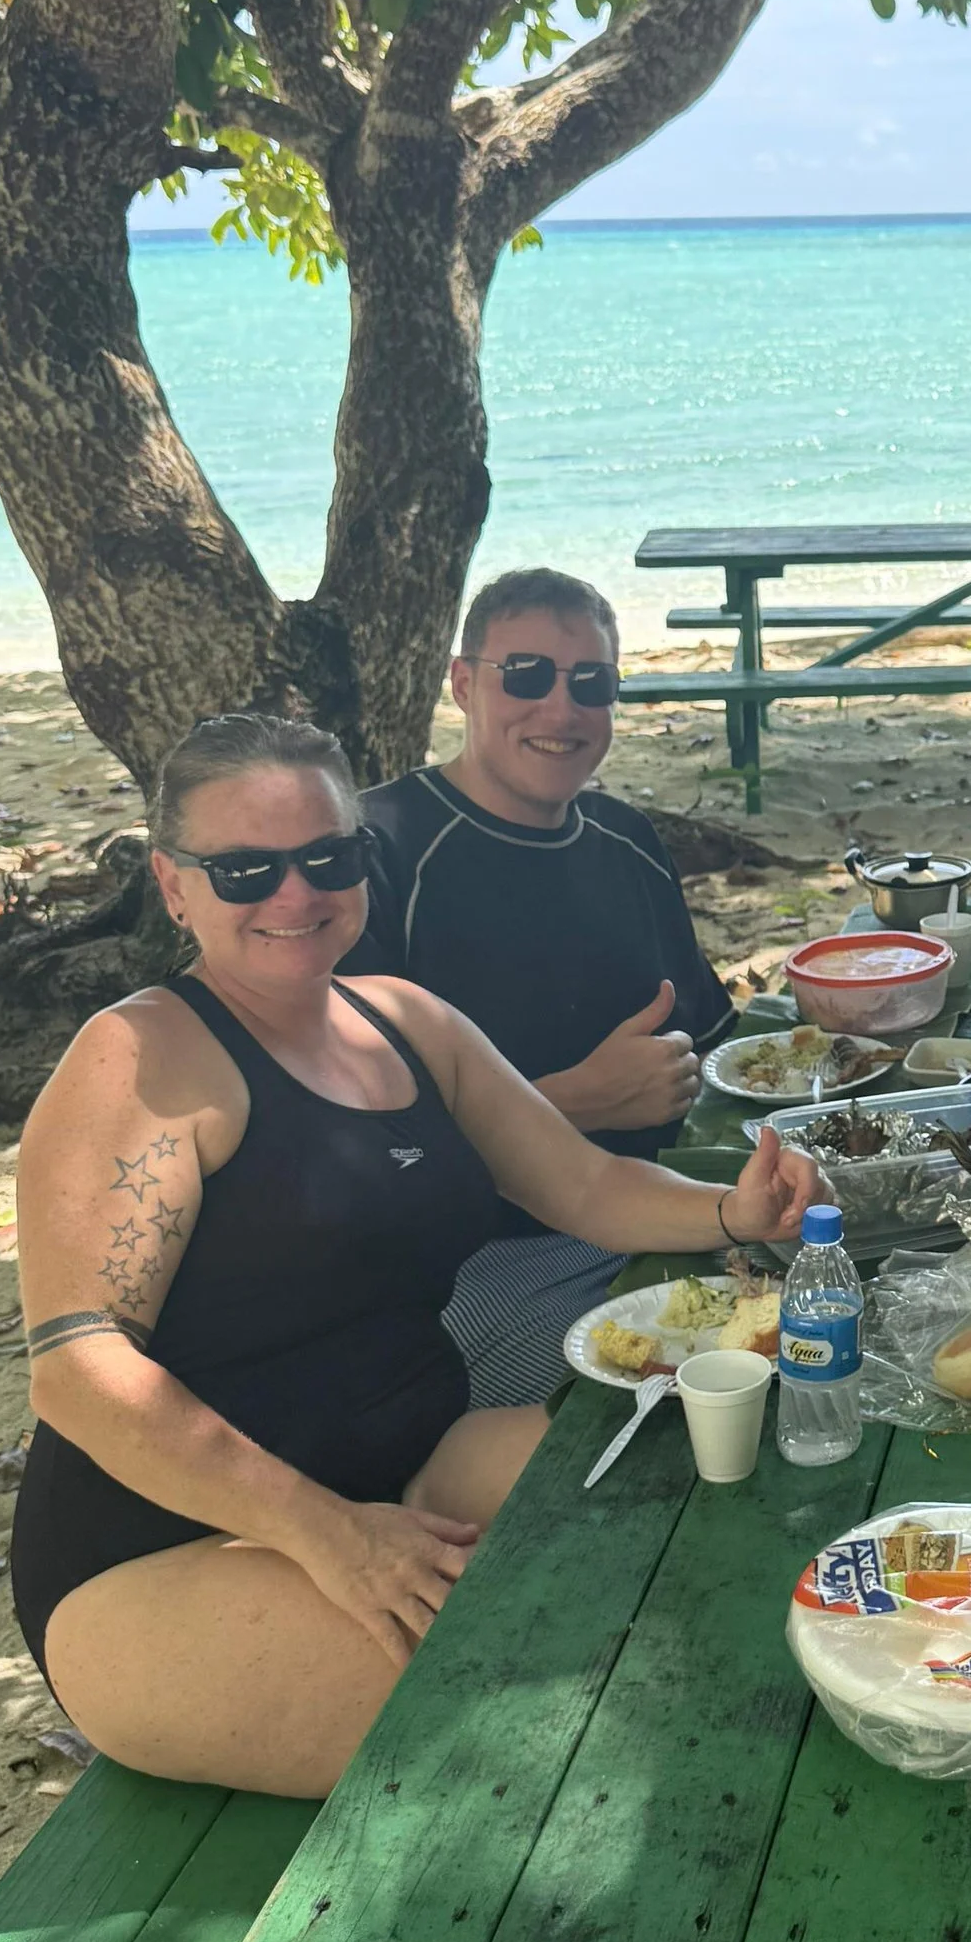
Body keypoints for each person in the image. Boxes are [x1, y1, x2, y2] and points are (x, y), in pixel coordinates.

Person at [12, 712, 818, 1801]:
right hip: (165, 1553)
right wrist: (328, 1533)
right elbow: (76, 1367)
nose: (293, 896)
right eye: (244, 868)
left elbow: (582, 1186)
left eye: (326, 857)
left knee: (707, 1509)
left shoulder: (405, 1021)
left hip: (412, 1465)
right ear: (173, 885)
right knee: (550, 1729)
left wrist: (738, 1208)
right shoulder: (141, 1054)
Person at [345, 566, 737, 1410]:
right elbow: (356, 1157)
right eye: (525, 676)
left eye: (590, 683)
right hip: (481, 1261)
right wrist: (573, 1102)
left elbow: (720, 1054)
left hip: (662, 1212)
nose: (560, 711)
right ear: (461, 682)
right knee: (654, 1425)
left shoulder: (626, 839)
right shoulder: (377, 853)